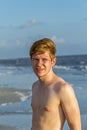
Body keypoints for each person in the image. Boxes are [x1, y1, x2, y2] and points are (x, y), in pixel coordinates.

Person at [29, 38, 81, 130]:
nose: (39, 64)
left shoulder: (63, 89)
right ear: (31, 60)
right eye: (36, 59)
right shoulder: (35, 86)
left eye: (44, 59)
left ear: (53, 61)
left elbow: (76, 127)